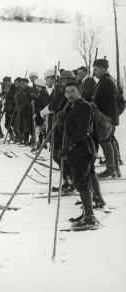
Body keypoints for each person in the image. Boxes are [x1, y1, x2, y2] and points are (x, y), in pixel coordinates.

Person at [57, 81, 99, 229]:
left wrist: (67, 147)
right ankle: (87, 213)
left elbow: (81, 131)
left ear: (79, 91)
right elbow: (66, 132)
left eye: (72, 91)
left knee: (81, 182)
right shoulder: (73, 107)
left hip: (82, 148)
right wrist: (61, 121)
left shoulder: (84, 106)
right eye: (67, 92)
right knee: (83, 181)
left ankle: (90, 218)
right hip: (78, 149)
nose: (69, 95)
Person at [92, 59, 120, 178]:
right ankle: (115, 169)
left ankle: (111, 170)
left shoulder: (106, 81)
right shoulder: (107, 80)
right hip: (109, 116)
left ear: (103, 68)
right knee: (111, 141)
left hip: (105, 116)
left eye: (96, 69)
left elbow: (99, 99)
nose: (94, 72)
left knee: (105, 141)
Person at [32, 78, 50, 149]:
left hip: (41, 112)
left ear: (39, 85)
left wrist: (36, 113)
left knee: (41, 128)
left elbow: (40, 104)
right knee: (42, 128)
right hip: (42, 112)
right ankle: (43, 142)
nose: (36, 87)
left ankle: (40, 143)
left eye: (37, 86)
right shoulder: (42, 92)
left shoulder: (43, 93)